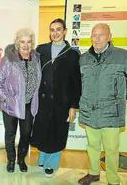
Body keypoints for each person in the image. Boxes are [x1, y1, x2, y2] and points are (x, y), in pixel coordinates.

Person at [30, 18, 81, 177]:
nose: (55, 33)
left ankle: (51, 164)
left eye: (58, 29)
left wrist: (73, 105)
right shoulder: (41, 49)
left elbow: (76, 82)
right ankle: (43, 157)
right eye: (52, 30)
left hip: (62, 102)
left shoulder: (72, 54)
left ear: (65, 31)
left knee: (57, 132)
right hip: (43, 100)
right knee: (44, 130)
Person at [78, 23, 127, 185]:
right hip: (89, 110)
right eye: (93, 35)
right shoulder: (84, 58)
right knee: (92, 145)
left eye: (101, 35)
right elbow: (79, 84)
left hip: (111, 112)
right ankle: (93, 173)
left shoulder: (122, 56)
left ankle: (113, 180)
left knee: (112, 149)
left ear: (109, 37)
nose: (96, 39)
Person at [0, 28, 41, 173]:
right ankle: (11, 160)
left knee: (26, 134)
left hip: (28, 104)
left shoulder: (37, 58)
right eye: (22, 41)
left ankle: (21, 159)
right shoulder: (8, 59)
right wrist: (5, 99)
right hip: (11, 106)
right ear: (17, 43)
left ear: (32, 43)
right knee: (10, 134)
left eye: (28, 41)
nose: (25, 45)